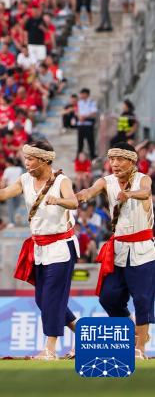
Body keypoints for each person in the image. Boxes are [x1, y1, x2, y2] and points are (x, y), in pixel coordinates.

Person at [0, 139, 79, 360]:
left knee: (53, 297)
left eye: (30, 159)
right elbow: (5, 195)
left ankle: (50, 348)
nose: (26, 163)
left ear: (45, 160)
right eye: (25, 159)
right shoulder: (25, 180)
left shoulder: (61, 180)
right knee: (41, 299)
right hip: (39, 247)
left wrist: (60, 201)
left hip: (60, 247)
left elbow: (73, 202)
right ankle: (83, 333)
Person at [77, 143, 154, 359]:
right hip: (119, 250)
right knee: (108, 297)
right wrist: (80, 196)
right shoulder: (107, 181)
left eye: (120, 159)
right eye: (112, 159)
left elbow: (146, 192)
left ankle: (140, 348)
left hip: (143, 251)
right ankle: (131, 331)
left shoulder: (143, 179)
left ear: (132, 161)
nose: (115, 164)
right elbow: (90, 190)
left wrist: (129, 194)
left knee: (142, 299)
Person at [76, 88, 98, 160]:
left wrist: (84, 117)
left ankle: (92, 156)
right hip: (81, 124)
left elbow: (94, 113)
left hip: (88, 124)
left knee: (90, 141)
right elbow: (77, 111)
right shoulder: (79, 102)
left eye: (82, 94)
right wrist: (79, 117)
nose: (81, 95)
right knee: (80, 142)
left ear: (86, 94)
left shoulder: (92, 102)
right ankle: (78, 157)